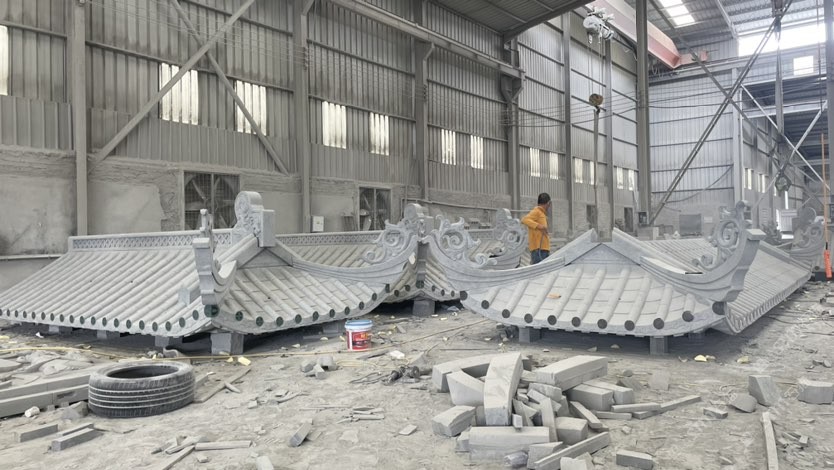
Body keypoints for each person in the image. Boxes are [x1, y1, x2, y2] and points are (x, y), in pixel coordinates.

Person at [521, 193, 552, 264]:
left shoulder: (541, 213)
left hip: (543, 248)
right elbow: (524, 220)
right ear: (548, 203)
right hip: (538, 249)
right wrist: (540, 226)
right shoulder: (536, 211)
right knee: (540, 270)